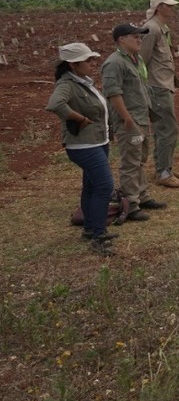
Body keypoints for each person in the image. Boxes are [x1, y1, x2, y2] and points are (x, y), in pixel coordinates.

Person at [46, 43, 116, 256]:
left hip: (97, 141)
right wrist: (79, 118)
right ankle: (98, 234)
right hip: (84, 145)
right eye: (87, 61)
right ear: (73, 65)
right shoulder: (67, 84)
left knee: (92, 185)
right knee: (104, 186)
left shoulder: (82, 81)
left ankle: (89, 228)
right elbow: (55, 104)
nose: (91, 64)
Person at [101, 23, 166, 224]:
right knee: (130, 162)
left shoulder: (134, 59)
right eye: (134, 37)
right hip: (129, 122)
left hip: (140, 118)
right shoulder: (114, 63)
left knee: (140, 159)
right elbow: (113, 93)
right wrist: (127, 118)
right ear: (121, 39)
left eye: (140, 37)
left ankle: (142, 196)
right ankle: (131, 204)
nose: (139, 40)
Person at [140, 0, 179, 188]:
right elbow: (142, 59)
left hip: (163, 84)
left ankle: (164, 168)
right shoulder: (151, 29)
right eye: (169, 5)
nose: (172, 8)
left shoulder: (160, 27)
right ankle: (164, 173)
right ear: (159, 7)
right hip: (157, 85)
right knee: (167, 129)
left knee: (163, 129)